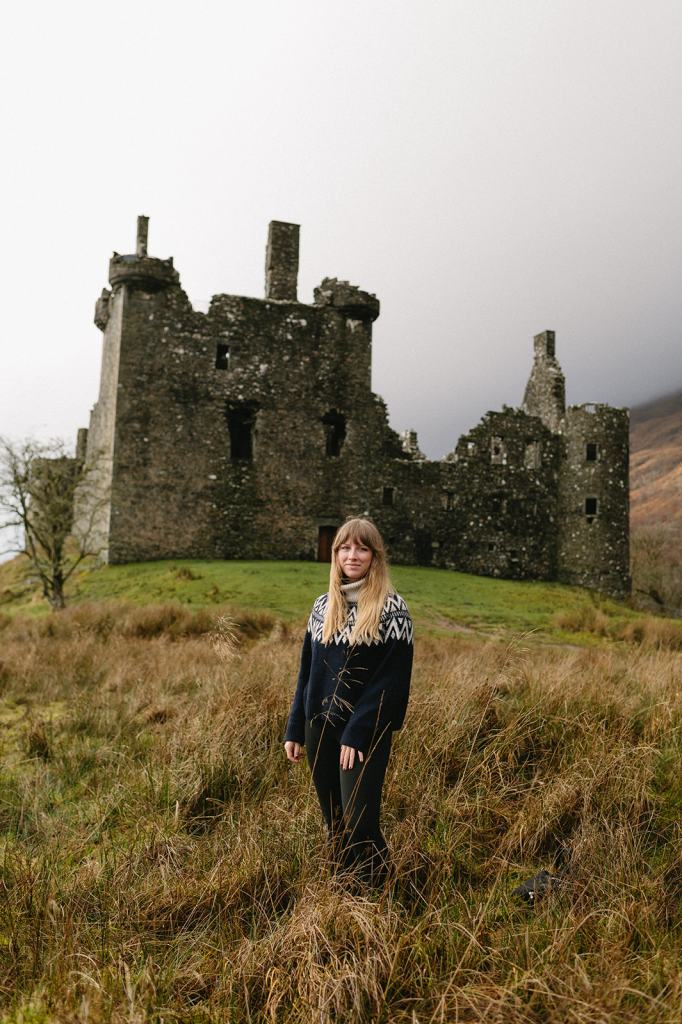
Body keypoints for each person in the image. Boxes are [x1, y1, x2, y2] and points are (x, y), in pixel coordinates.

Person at [283, 517, 414, 890]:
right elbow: (307, 673)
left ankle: (381, 894)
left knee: (360, 823)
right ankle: (343, 895)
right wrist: (295, 728)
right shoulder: (323, 606)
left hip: (364, 733)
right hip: (319, 727)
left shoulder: (393, 610)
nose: (352, 555)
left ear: (375, 556)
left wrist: (356, 732)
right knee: (335, 822)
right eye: (344, 548)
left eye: (361, 548)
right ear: (335, 554)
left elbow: (391, 682)